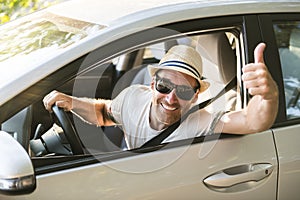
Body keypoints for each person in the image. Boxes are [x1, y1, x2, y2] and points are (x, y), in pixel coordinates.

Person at [43, 43, 279, 149]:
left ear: (195, 96)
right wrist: (72, 103)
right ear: (153, 84)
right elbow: (104, 113)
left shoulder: (200, 121)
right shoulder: (133, 97)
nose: (171, 99)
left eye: (184, 91)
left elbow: (252, 121)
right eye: (165, 87)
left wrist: (268, 95)